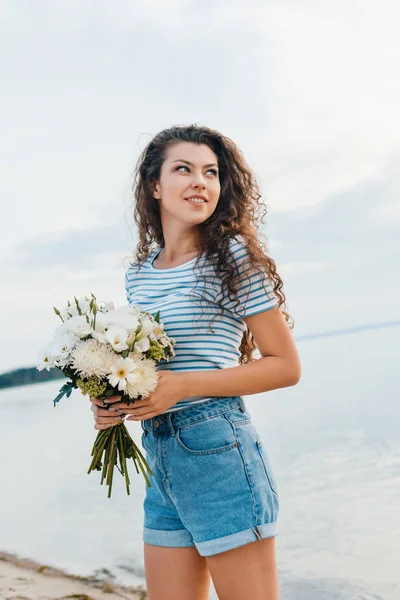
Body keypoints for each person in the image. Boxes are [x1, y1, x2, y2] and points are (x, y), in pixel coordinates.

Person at [90, 124, 301, 600]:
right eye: (183, 169)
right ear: (155, 186)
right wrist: (114, 405)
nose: (200, 181)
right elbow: (147, 369)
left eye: (211, 172)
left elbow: (286, 365)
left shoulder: (232, 255)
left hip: (217, 448)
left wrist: (181, 387)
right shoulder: (139, 275)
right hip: (159, 453)